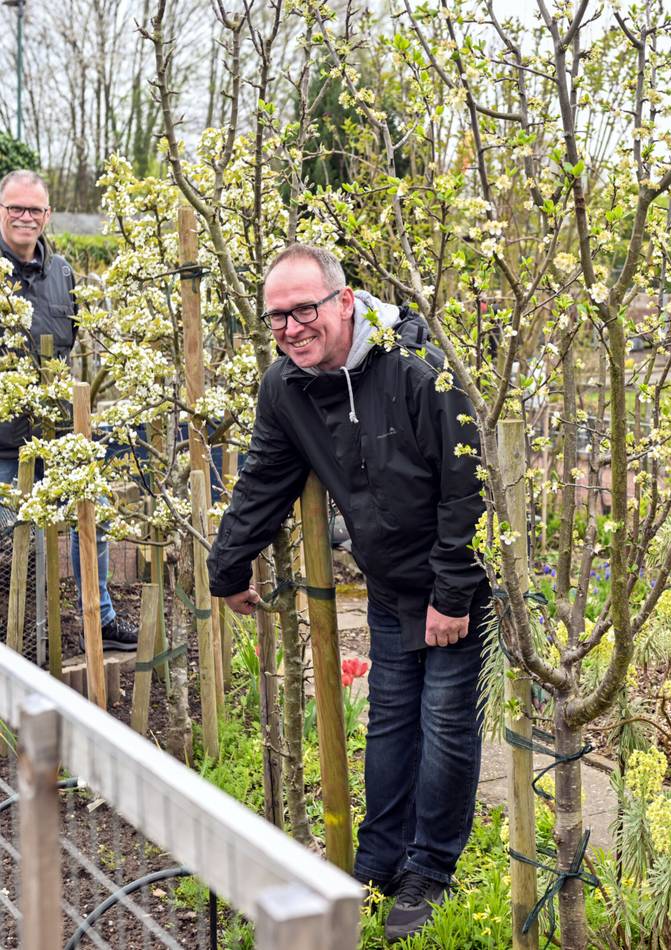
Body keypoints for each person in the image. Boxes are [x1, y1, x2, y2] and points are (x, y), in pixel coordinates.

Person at [207, 244, 488, 942]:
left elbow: (468, 486)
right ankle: (377, 864)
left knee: (446, 724)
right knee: (391, 720)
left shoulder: (421, 368)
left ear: (345, 301)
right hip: (391, 582)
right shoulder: (289, 385)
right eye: (277, 318)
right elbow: (265, 475)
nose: (292, 328)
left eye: (304, 310)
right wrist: (228, 565)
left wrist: (453, 592)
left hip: (454, 576)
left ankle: (429, 872)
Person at [0, 169, 137, 651]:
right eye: (15, 207)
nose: (24, 217)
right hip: (1, 444)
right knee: (8, 536)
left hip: (55, 437)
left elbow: (73, 345)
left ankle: (100, 619)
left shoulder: (63, 274)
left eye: (34, 209)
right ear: (1, 210)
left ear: (47, 215)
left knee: (91, 517)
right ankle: (15, 638)